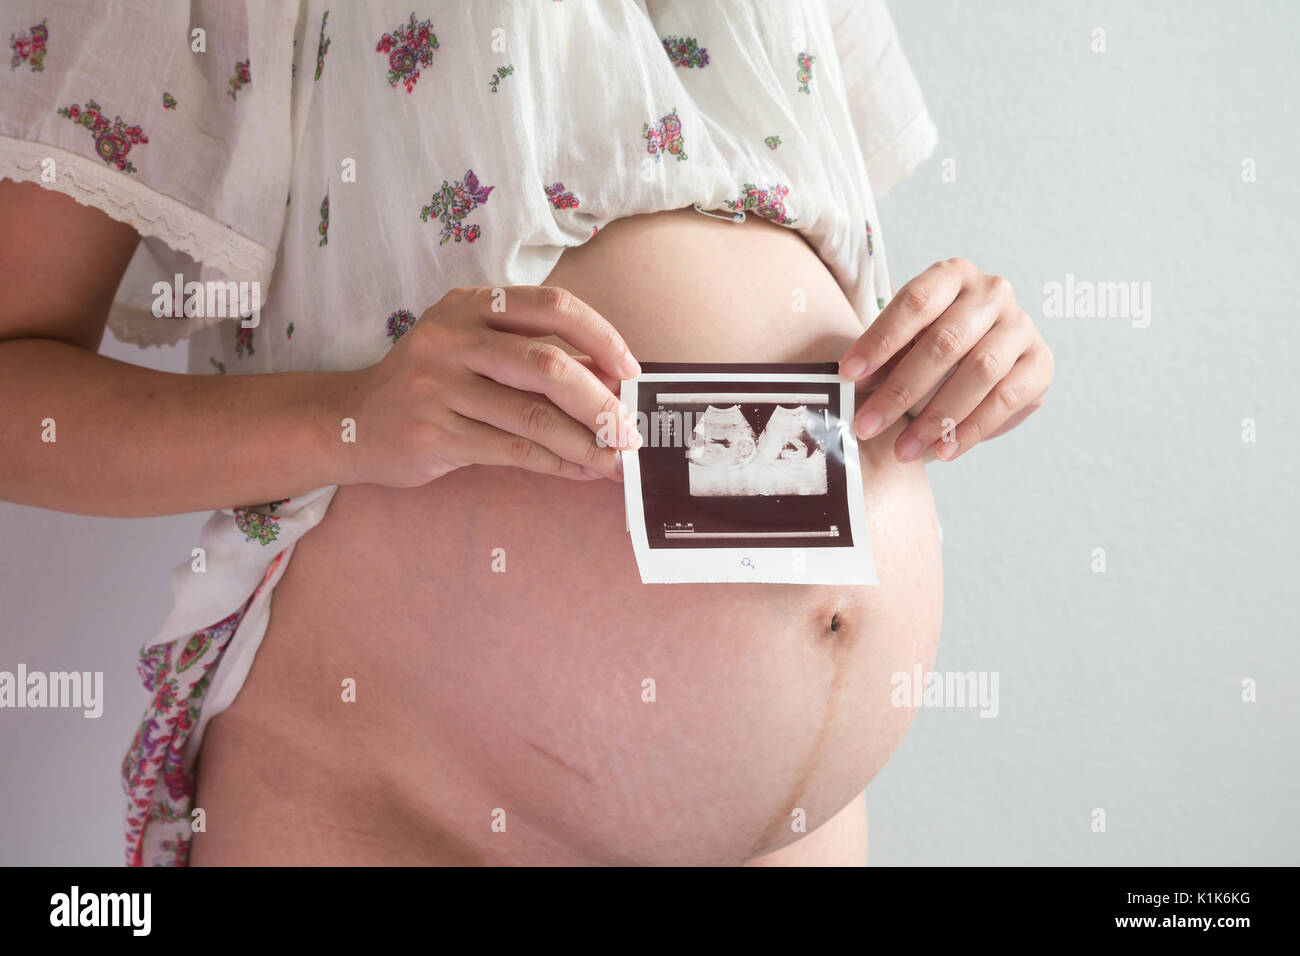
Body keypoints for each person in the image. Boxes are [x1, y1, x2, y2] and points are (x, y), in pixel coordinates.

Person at [0, 0, 1052, 866]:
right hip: (406, 798)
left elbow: (798, 232)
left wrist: (972, 348)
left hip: (798, 830)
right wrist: (348, 415)